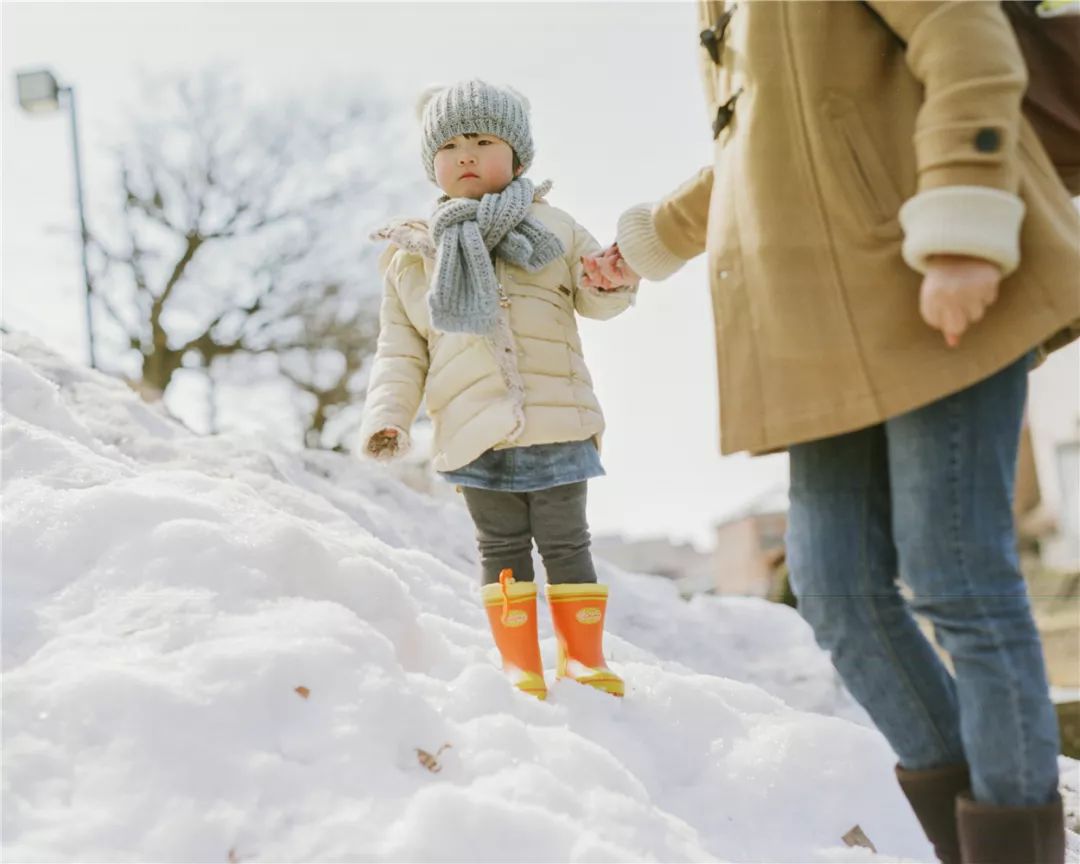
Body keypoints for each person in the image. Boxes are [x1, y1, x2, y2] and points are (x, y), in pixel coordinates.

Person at [584, 3, 1080, 862]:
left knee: (953, 574)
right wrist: (649, 242)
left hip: (931, 271)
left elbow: (965, 35)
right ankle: (986, 845)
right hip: (817, 325)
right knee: (836, 585)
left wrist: (965, 222)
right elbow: (768, 147)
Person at [361, 80, 637, 702]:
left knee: (568, 543)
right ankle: (521, 665)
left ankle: (585, 658)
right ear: (431, 162)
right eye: (451, 144)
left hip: (557, 419)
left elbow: (597, 296)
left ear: (517, 155)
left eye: (483, 140)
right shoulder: (414, 255)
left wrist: (612, 281)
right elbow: (400, 350)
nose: (466, 154)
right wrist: (389, 417)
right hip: (473, 431)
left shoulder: (555, 228)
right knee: (502, 547)